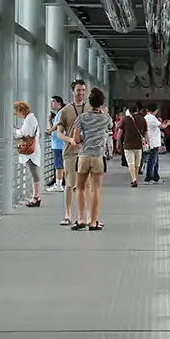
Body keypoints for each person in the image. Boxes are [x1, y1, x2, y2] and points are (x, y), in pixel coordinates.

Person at [71, 87, 109, 231]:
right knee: (96, 189)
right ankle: (93, 222)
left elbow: (76, 138)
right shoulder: (106, 118)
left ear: (89, 102)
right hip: (98, 156)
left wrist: (82, 140)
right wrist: (104, 114)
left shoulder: (82, 118)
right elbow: (109, 129)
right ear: (102, 103)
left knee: (80, 188)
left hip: (83, 156)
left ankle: (80, 220)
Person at [55, 79, 87, 226]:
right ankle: (67, 214)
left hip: (87, 152)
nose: (81, 93)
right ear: (72, 92)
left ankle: (83, 215)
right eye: (78, 90)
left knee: (85, 185)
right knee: (69, 183)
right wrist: (69, 139)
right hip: (70, 151)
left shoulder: (90, 109)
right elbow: (59, 133)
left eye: (83, 90)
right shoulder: (65, 111)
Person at [14, 101, 42, 207]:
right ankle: (36, 196)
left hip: (31, 151)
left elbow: (25, 133)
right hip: (33, 149)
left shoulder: (29, 119)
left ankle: (36, 197)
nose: (17, 115)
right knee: (33, 172)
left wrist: (16, 131)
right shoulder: (30, 118)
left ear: (21, 111)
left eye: (17, 113)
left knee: (33, 172)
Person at [119, 104, 147, 188]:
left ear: (129, 111)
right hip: (138, 145)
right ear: (137, 110)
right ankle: (135, 178)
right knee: (137, 163)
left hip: (127, 144)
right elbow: (146, 132)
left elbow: (120, 131)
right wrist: (148, 143)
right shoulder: (142, 119)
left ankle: (133, 179)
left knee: (130, 162)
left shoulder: (125, 119)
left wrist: (118, 142)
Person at [143, 103, 170, 184]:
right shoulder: (151, 118)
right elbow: (162, 126)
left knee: (155, 161)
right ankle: (148, 178)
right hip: (153, 142)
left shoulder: (147, 117)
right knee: (152, 161)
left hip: (152, 141)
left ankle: (156, 177)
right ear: (155, 110)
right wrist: (168, 123)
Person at [46, 96, 66, 192]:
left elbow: (57, 126)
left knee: (59, 165)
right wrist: (50, 122)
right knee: (61, 164)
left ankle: (58, 185)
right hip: (58, 143)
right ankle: (64, 183)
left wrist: (49, 131)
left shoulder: (61, 113)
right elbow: (55, 127)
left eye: (53, 102)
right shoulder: (58, 114)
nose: (51, 104)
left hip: (59, 144)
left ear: (59, 103)